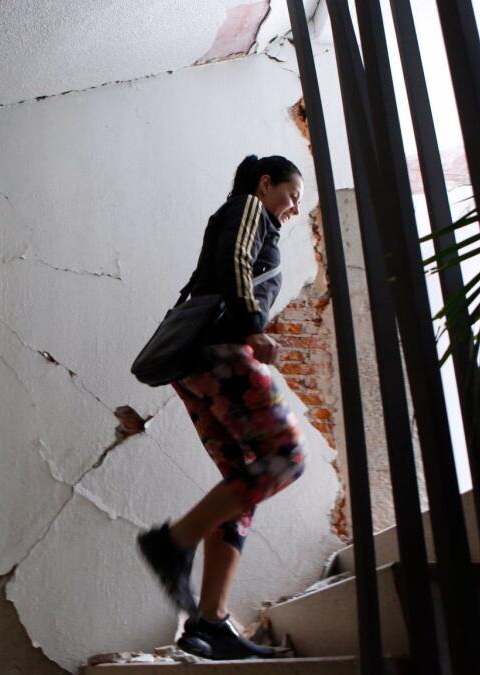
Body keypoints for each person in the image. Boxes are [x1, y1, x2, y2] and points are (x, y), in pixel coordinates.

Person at [137, 154, 307, 661]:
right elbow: (237, 257)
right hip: (221, 355)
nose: (294, 208)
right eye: (292, 194)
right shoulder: (249, 208)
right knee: (287, 458)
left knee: (244, 482)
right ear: (265, 183)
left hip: (193, 368)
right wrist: (254, 325)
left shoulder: (252, 216)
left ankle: (209, 625)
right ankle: (175, 542)